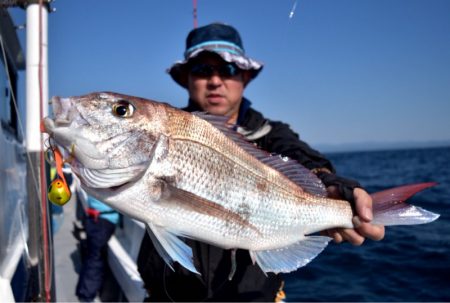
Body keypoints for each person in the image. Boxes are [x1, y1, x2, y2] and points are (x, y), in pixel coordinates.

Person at [137, 22, 385, 302]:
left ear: (245, 77)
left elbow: (302, 157)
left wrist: (330, 184)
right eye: (203, 69)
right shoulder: (162, 131)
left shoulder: (271, 134)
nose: (215, 80)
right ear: (186, 78)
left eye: (229, 70)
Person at [76, 195, 119, 302]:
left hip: (94, 217)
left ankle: (83, 291)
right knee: (96, 259)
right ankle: (86, 296)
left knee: (91, 256)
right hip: (103, 221)